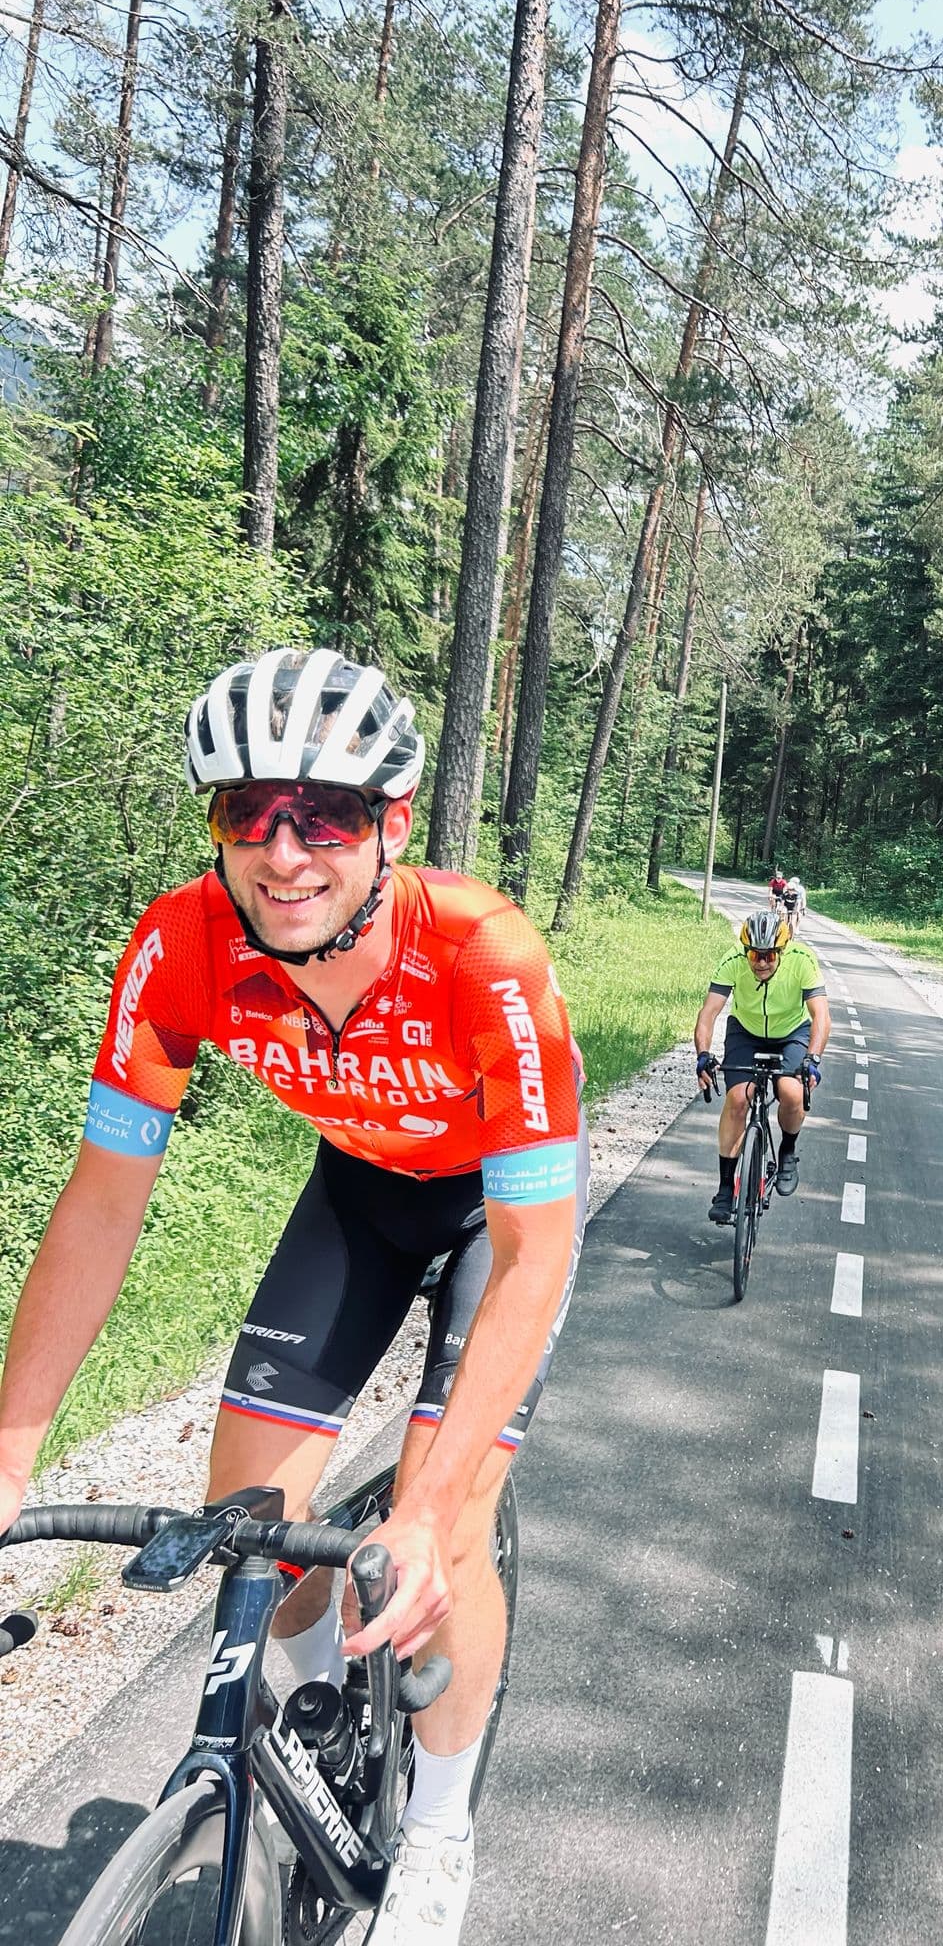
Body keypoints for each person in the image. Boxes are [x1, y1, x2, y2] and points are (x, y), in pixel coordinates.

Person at [0, 647, 588, 1944]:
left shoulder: (484, 953)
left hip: (496, 1220)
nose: (283, 852)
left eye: (322, 816)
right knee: (253, 1519)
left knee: (445, 1527)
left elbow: (538, 1249)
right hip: (358, 1200)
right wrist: (9, 1455)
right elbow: (102, 1207)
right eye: (244, 813)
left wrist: (430, 1513)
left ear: (389, 825)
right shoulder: (180, 944)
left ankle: (437, 1825)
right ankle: (320, 1710)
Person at [694, 909, 831, 1223]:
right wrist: (703, 1053)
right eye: (755, 954)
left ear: (781, 951)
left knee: (792, 1092)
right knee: (738, 1099)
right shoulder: (732, 961)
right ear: (745, 950)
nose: (762, 962)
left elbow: (821, 1016)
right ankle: (726, 1188)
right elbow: (708, 1012)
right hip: (746, 1031)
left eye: (769, 955)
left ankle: (787, 1151)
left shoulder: (802, 960)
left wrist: (813, 1059)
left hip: (792, 1033)